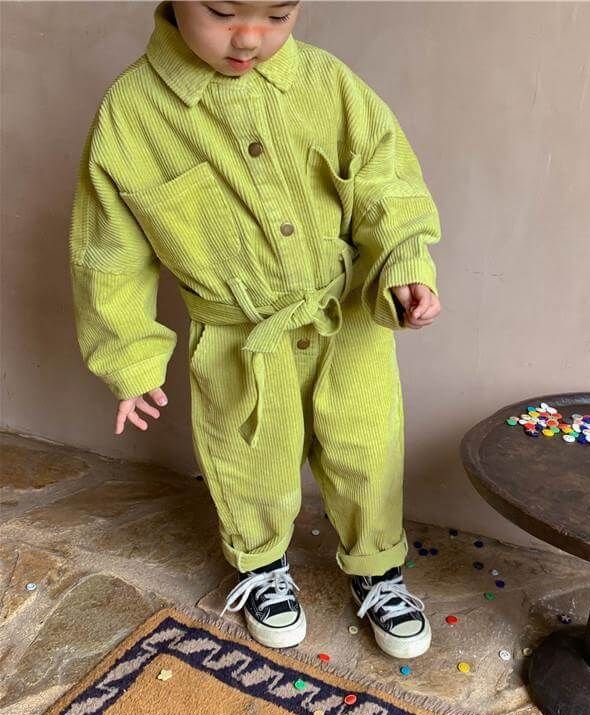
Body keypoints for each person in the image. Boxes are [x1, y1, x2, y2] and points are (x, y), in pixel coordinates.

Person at [68, 0, 442, 659]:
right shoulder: (131, 115)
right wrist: (129, 358)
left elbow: (387, 185)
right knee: (249, 461)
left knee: (367, 450)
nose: (249, 38)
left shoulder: (328, 84)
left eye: (279, 14)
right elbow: (109, 252)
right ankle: (261, 564)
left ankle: (378, 567)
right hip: (237, 337)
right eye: (222, 11)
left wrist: (404, 263)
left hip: (347, 319)